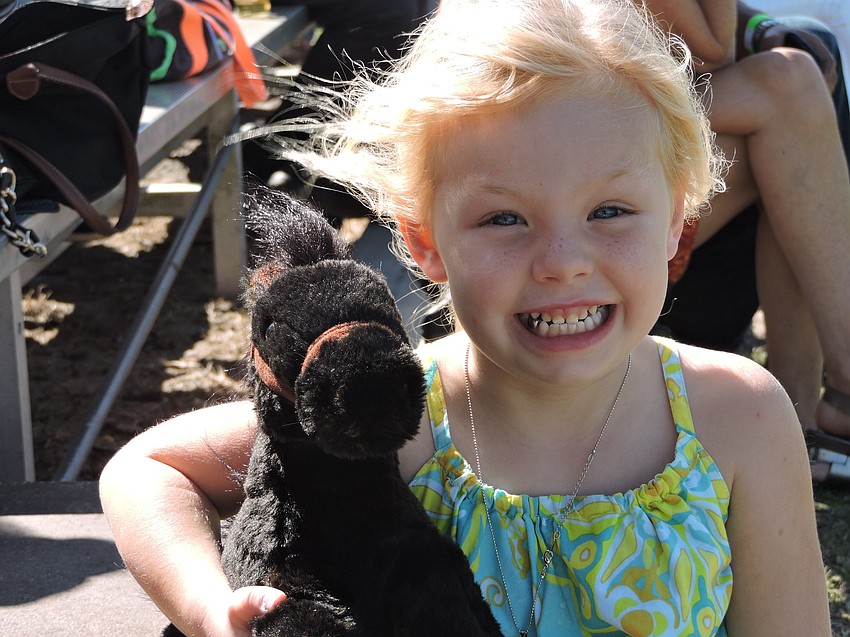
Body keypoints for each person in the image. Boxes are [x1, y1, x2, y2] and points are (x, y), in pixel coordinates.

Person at [99, 1, 831, 635]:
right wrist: (206, 604)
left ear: (676, 222)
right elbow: (148, 467)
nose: (562, 262)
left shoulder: (738, 420)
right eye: (505, 218)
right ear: (423, 241)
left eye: (610, 211)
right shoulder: (394, 416)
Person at [642, 0, 850, 482]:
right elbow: (711, 48)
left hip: (611, 132)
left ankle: (798, 418)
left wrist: (761, 26)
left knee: (798, 61)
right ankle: (808, 410)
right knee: (790, 90)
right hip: (561, 177)